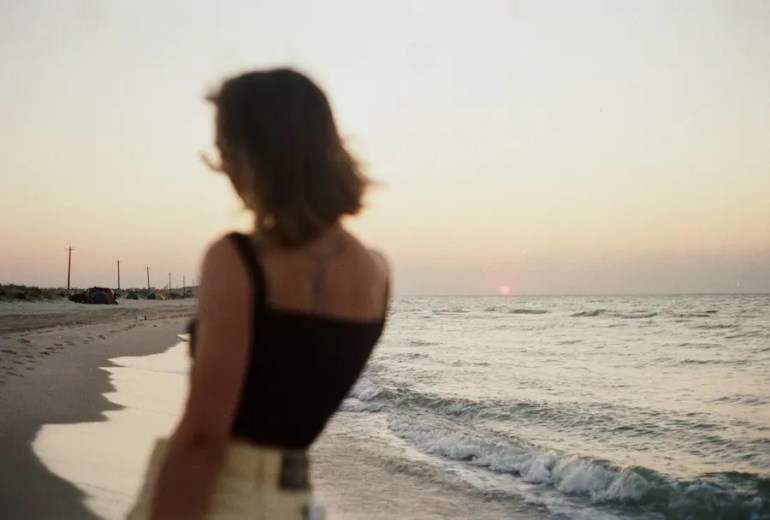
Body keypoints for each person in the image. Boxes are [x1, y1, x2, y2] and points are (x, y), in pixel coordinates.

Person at [128, 68, 390, 519]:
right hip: (293, 501)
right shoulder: (377, 273)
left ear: (259, 157)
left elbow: (203, 441)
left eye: (227, 150)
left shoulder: (236, 260)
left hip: (216, 498)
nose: (224, 166)